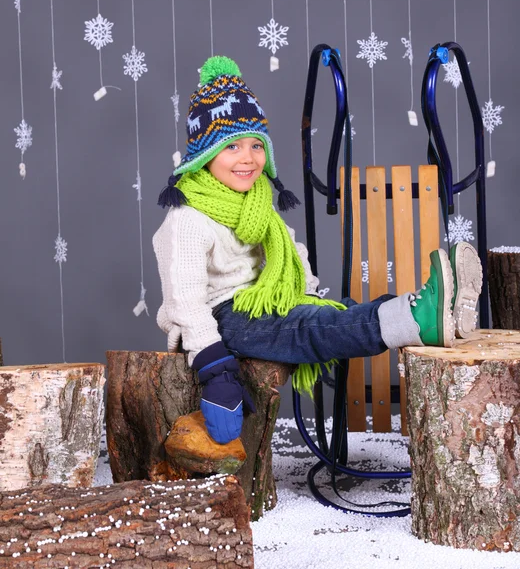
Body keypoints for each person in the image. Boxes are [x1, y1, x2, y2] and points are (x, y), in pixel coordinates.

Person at [153, 56, 483, 445]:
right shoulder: (188, 219)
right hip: (222, 319)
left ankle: (429, 310)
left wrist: (307, 294)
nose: (248, 158)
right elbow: (184, 302)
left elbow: (292, 251)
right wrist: (215, 369)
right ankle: (419, 319)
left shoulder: (255, 202)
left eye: (257, 145)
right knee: (313, 329)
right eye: (232, 147)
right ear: (205, 156)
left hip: (266, 305)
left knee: (335, 313)